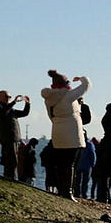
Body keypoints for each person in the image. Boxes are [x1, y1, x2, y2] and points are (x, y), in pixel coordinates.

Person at [41, 70, 89, 200]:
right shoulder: (68, 95)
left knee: (61, 164)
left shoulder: (49, 99)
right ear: (66, 84)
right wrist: (82, 78)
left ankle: (62, 189)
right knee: (70, 164)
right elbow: (86, 86)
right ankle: (68, 192)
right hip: (72, 134)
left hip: (57, 132)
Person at [0, 91, 31, 179]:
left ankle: (10, 177)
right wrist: (14, 102)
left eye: (9, 97)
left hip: (15, 139)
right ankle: (9, 178)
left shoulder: (11, 110)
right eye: (7, 96)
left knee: (13, 161)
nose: (8, 98)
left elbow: (24, 113)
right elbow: (4, 112)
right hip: (8, 139)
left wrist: (28, 104)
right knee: (11, 161)